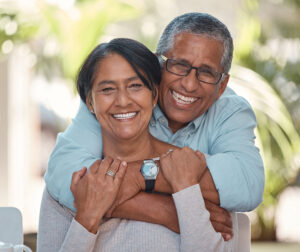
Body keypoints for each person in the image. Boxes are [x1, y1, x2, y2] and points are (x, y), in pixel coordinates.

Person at [45, 12, 264, 235]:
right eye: (179, 65)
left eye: (206, 73)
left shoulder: (230, 110)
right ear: (157, 63)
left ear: (222, 84)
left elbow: (248, 184)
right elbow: (66, 175)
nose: (189, 85)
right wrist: (169, 211)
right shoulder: (113, 100)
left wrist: (140, 176)